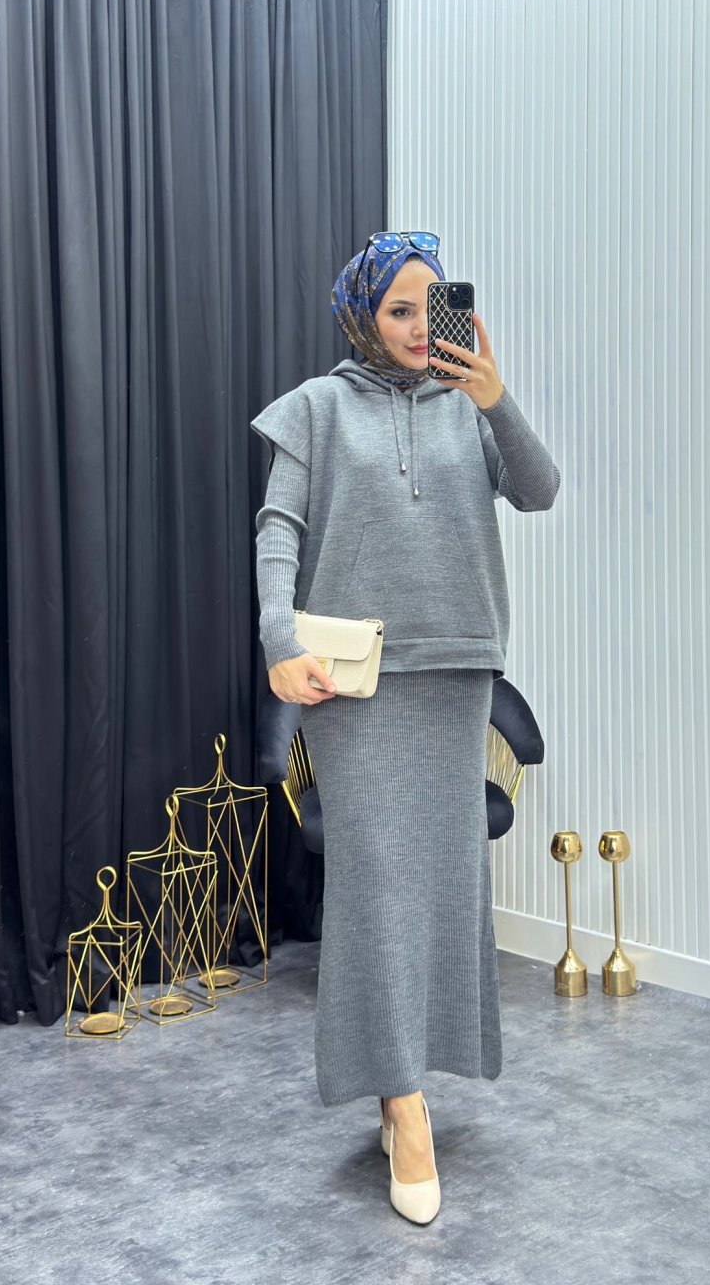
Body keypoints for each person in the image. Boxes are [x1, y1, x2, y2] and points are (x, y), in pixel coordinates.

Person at [250, 231, 560, 1224]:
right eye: (400, 309)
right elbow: (279, 530)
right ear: (362, 315)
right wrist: (277, 636)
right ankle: (403, 1102)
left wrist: (494, 397)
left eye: (436, 307)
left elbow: (540, 489)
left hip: (457, 669)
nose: (424, 327)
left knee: (444, 888)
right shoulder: (315, 406)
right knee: (377, 889)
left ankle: (408, 1080)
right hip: (355, 684)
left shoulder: (470, 406)